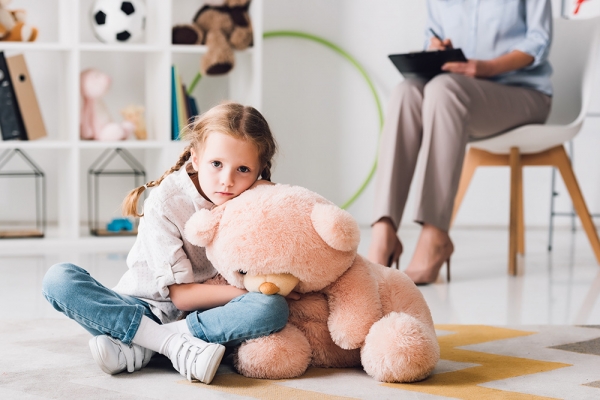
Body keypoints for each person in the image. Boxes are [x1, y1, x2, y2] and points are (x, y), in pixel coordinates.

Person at [42, 102, 290, 384]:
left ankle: (141, 345)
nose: (227, 180)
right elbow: (181, 296)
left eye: (243, 169)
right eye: (216, 164)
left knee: (272, 308)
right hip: (143, 306)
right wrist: (248, 288)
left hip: (205, 317)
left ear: (260, 171)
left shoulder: (256, 200)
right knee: (59, 279)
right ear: (196, 159)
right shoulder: (166, 201)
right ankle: (173, 345)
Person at [368, 0, 553, 284]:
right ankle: (384, 230)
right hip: (456, 91)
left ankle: (435, 234)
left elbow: (538, 42)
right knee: (406, 92)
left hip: (522, 93)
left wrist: (487, 67)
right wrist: (438, 49)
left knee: (445, 90)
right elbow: (433, 33)